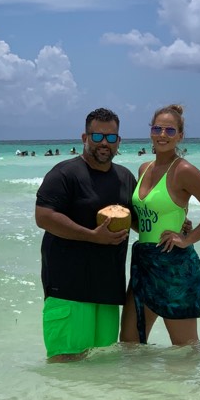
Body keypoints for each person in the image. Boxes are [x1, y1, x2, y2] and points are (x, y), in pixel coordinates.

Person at [120, 104, 200, 346]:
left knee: (185, 350)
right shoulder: (144, 168)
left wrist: (187, 239)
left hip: (175, 266)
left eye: (170, 130)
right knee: (130, 345)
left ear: (180, 135)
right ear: (150, 131)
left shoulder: (184, 170)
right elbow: (146, 220)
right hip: (143, 263)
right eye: (157, 129)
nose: (162, 135)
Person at [35, 108, 137, 362]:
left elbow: (136, 219)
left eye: (111, 138)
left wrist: (175, 225)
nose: (104, 143)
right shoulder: (64, 174)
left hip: (108, 290)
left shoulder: (125, 177)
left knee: (103, 367)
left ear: (118, 141)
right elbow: (44, 216)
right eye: (97, 136)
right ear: (85, 138)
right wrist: (92, 236)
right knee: (66, 364)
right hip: (68, 288)